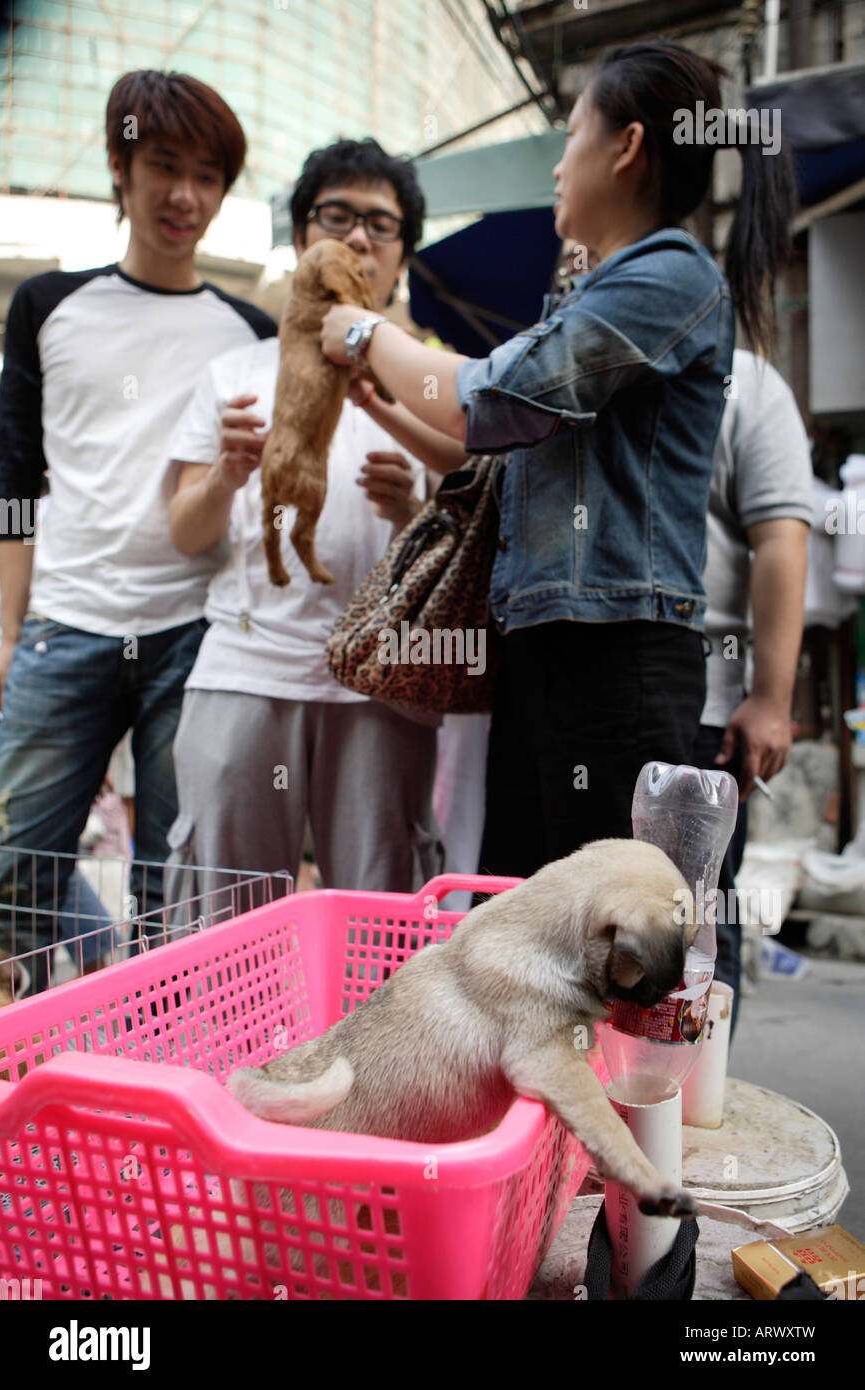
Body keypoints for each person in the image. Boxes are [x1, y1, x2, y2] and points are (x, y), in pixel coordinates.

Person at [321, 39, 797, 881]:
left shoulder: (672, 276)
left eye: (572, 134)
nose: (557, 165)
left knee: (612, 949)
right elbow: (500, 447)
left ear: (628, 146)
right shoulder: (596, 294)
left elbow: (494, 396)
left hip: (618, 656)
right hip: (550, 647)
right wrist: (385, 402)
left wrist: (369, 332)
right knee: (526, 932)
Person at [0, 70, 276, 980]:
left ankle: (144, 1068)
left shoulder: (248, 332)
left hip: (195, 638)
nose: (185, 195)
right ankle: (75, 1010)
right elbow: (13, 480)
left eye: (207, 174)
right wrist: (8, 626)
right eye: (163, 165)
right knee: (13, 869)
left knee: (175, 883)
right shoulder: (46, 307)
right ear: (120, 167)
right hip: (65, 624)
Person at [165, 138, 446, 893]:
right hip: (246, 670)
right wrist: (226, 476)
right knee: (223, 915)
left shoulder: (432, 382)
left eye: (381, 226)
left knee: (381, 916)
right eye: (337, 216)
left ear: (401, 257)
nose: (358, 237)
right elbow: (186, 532)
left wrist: (412, 510)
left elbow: (466, 546)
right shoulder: (238, 372)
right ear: (300, 239)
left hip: (382, 686)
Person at [695, 349, 811, 1032]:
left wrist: (772, 698)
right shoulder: (590, 355)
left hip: (706, 704)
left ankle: (699, 1108)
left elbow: (781, 538)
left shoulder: (748, 381)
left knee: (698, 918)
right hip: (583, 698)